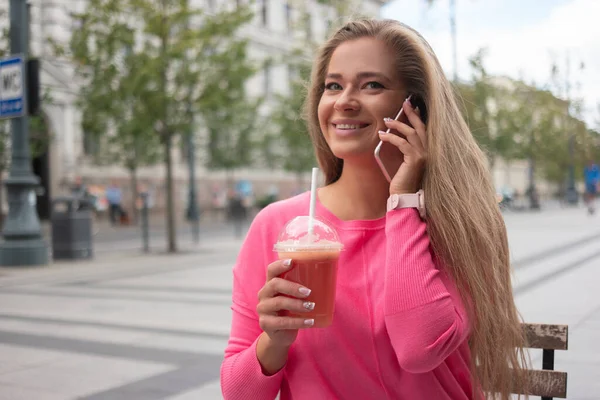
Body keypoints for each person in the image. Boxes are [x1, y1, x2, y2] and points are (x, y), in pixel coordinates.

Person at [221, 19, 528, 400]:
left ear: (413, 109)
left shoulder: (457, 226)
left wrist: (403, 201)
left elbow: (419, 349)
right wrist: (274, 342)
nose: (344, 101)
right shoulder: (278, 225)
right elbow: (237, 393)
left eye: (371, 85)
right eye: (333, 85)